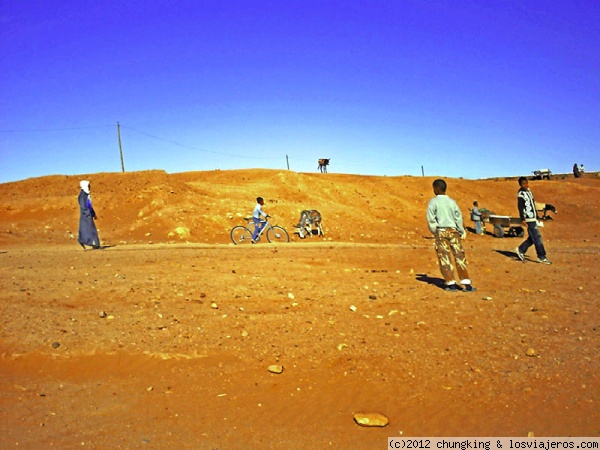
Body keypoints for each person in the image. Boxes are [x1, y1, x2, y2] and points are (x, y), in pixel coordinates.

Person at [426, 179, 476, 292]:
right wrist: (461, 230)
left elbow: (431, 219)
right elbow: (458, 217)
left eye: (434, 188)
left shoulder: (433, 202)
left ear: (437, 189)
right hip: (454, 232)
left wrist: (435, 231)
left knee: (444, 257)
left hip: (441, 232)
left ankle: (451, 283)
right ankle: (466, 283)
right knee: (459, 256)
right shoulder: (452, 202)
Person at [515, 177, 551, 264]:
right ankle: (541, 256)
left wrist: (537, 215)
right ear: (520, 184)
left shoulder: (529, 192)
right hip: (528, 218)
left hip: (533, 217)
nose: (525, 185)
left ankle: (521, 249)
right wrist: (522, 219)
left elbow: (532, 205)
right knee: (537, 237)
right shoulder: (521, 194)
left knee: (532, 238)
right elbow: (520, 207)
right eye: (523, 184)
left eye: (526, 183)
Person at [78, 180, 100, 249]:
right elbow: (83, 206)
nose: (89, 187)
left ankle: (94, 244)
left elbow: (89, 205)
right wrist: (88, 213)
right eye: (88, 185)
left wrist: (93, 214)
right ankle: (94, 244)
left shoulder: (86, 194)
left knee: (89, 229)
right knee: (88, 229)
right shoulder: (82, 195)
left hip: (88, 215)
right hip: (85, 216)